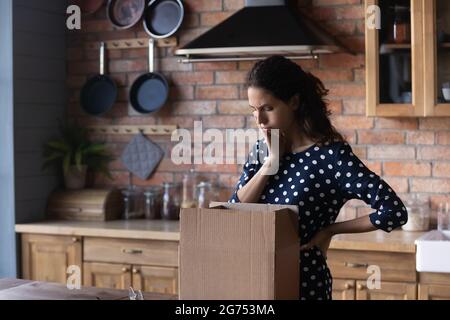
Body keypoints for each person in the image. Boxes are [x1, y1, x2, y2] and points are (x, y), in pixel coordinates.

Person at [228, 56, 408, 300]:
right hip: (252, 281)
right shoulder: (263, 150)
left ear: (294, 101)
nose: (259, 121)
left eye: (268, 109)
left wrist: (329, 230)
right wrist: (271, 163)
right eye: (254, 111)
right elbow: (234, 211)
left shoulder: (330, 156)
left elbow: (393, 211)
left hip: (304, 284)